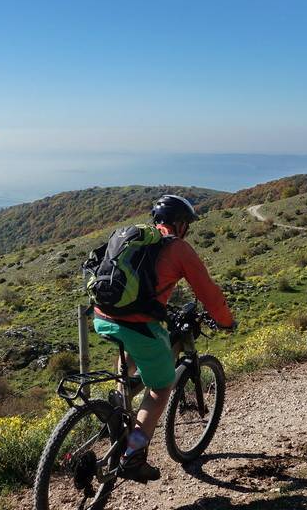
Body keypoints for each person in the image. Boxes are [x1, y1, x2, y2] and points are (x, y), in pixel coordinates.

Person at [93, 194, 236, 483]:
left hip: (102, 316)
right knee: (161, 387)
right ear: (180, 225)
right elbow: (208, 292)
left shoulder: (131, 237)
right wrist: (226, 322)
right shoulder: (179, 248)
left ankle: (119, 400)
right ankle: (132, 456)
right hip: (139, 324)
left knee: (132, 349)